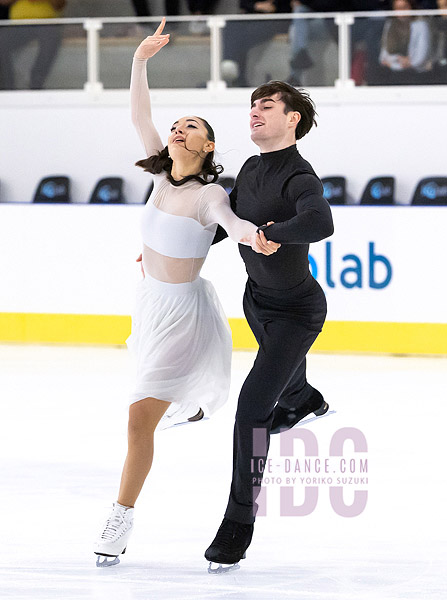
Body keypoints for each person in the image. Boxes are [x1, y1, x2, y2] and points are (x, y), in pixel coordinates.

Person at [93, 19, 277, 568]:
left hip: (183, 315)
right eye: (176, 124)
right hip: (148, 304)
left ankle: (119, 518)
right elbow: (139, 115)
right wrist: (139, 60)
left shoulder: (207, 193)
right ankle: (187, 403)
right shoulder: (159, 177)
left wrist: (257, 237)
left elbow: (231, 221)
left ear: (208, 143)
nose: (177, 129)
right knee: (146, 409)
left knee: (136, 418)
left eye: (190, 125)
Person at [204, 79, 334, 571]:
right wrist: (171, 249)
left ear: (292, 119)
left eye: (267, 106)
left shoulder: (300, 175)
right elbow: (227, 224)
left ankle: (239, 521)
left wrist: (273, 234)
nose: (255, 112)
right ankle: (305, 400)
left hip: (297, 312)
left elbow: (321, 223)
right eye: (252, 105)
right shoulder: (252, 168)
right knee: (283, 380)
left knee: (253, 406)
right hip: (256, 301)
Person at [222, 0, 291, 87]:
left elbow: (283, 8)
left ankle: (235, 71)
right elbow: (243, 4)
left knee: (240, 37)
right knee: (232, 25)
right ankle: (229, 63)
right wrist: (258, 6)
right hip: (251, 21)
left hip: (275, 22)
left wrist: (271, 9)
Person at [0, 0, 65, 90]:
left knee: (51, 37)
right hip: (18, 25)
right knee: (1, 41)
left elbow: (60, 4)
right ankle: (7, 87)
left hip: (47, 23)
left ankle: (36, 83)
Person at [376, 0, 433, 83]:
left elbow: (421, 56)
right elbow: (383, 56)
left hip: (417, 74)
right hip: (393, 74)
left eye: (404, 7)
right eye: (398, 8)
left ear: (411, 7)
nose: (401, 11)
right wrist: (397, 62)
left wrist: (410, 63)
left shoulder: (420, 25)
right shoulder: (390, 24)